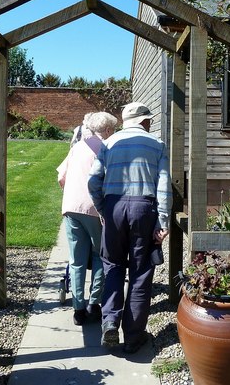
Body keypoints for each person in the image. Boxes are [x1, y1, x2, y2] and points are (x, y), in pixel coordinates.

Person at [88, 102, 171, 354]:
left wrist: (104, 210)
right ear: (144, 121)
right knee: (140, 272)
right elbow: (163, 187)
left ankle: (110, 321)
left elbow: (93, 182)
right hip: (143, 209)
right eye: (149, 120)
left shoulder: (109, 144)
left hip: (114, 207)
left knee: (112, 265)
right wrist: (162, 221)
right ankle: (134, 337)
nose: (151, 123)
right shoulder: (156, 145)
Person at [57, 111, 118, 325]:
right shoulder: (105, 148)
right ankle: (94, 304)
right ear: (108, 130)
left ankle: (78, 309)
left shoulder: (77, 147)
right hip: (94, 209)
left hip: (71, 207)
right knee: (99, 255)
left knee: (76, 261)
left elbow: (61, 177)